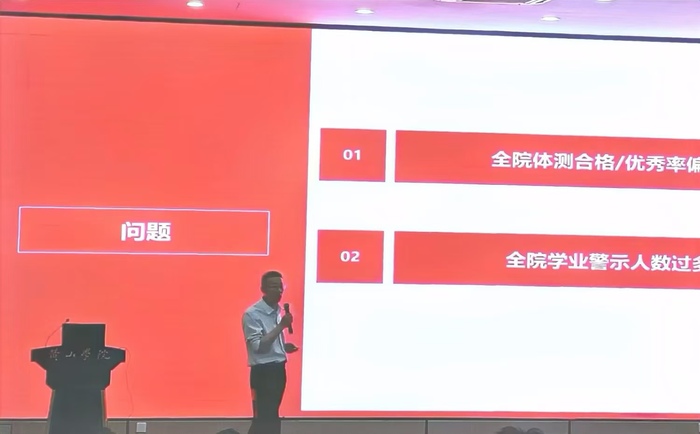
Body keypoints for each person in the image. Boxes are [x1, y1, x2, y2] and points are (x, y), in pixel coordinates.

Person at [242, 270, 299, 434]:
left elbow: (269, 340)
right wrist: (281, 326)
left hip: (278, 370)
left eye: (281, 287)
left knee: (272, 416)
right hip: (263, 373)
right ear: (263, 289)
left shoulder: (277, 311)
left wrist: (282, 346)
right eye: (274, 287)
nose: (279, 291)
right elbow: (258, 346)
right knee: (263, 418)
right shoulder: (252, 314)